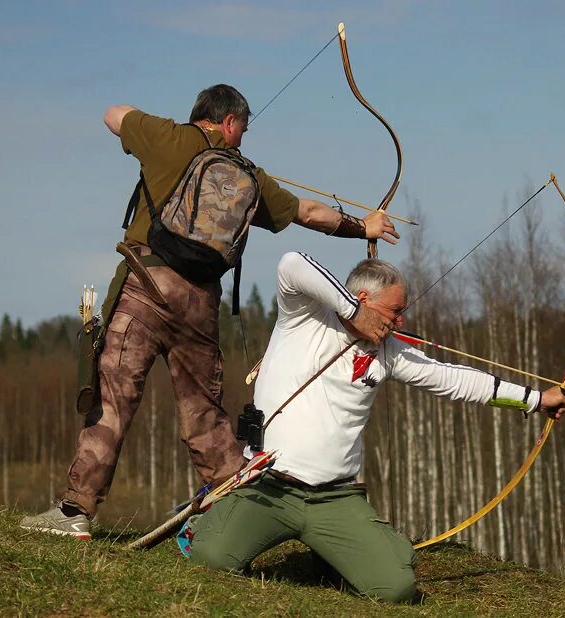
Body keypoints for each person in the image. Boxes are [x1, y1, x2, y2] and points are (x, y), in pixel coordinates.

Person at [20, 84, 400, 540]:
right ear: (230, 122)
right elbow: (309, 213)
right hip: (199, 306)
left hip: (145, 286)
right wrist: (364, 227)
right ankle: (232, 517)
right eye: (244, 126)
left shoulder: (167, 137)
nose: (243, 135)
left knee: (114, 399)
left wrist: (150, 130)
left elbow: (112, 113)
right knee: (203, 414)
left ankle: (74, 513)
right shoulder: (250, 176)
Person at [184, 251, 565, 603]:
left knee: (394, 587)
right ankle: (206, 519)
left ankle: (337, 552)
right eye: (394, 311)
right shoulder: (303, 318)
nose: (400, 320)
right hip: (269, 488)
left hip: (334, 498)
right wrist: (353, 313)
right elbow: (290, 263)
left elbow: (456, 380)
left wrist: (536, 400)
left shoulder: (388, 353)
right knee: (210, 557)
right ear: (364, 301)